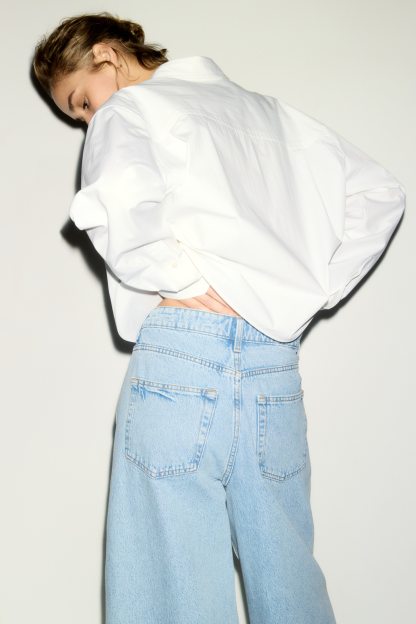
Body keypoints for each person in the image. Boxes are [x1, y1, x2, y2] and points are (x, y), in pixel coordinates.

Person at [32, 12, 405, 624]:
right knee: (291, 585)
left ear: (106, 54)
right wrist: (307, 292)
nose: (90, 120)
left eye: (82, 102)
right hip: (272, 367)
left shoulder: (127, 111)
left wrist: (182, 278)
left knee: (170, 598)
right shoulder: (271, 116)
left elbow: (116, 208)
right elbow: (380, 193)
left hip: (180, 363)